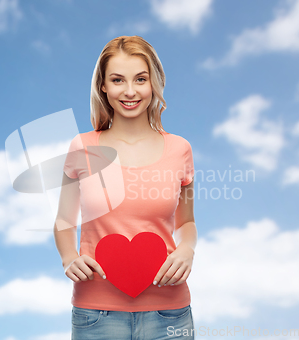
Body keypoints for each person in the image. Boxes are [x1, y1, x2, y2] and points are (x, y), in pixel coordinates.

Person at [54, 35, 197, 340]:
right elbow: (65, 220)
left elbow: (186, 222)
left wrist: (187, 249)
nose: (130, 91)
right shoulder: (82, 147)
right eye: (118, 80)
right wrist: (69, 258)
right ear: (103, 86)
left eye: (140, 79)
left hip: (169, 313)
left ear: (154, 83)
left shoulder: (180, 149)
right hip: (96, 315)